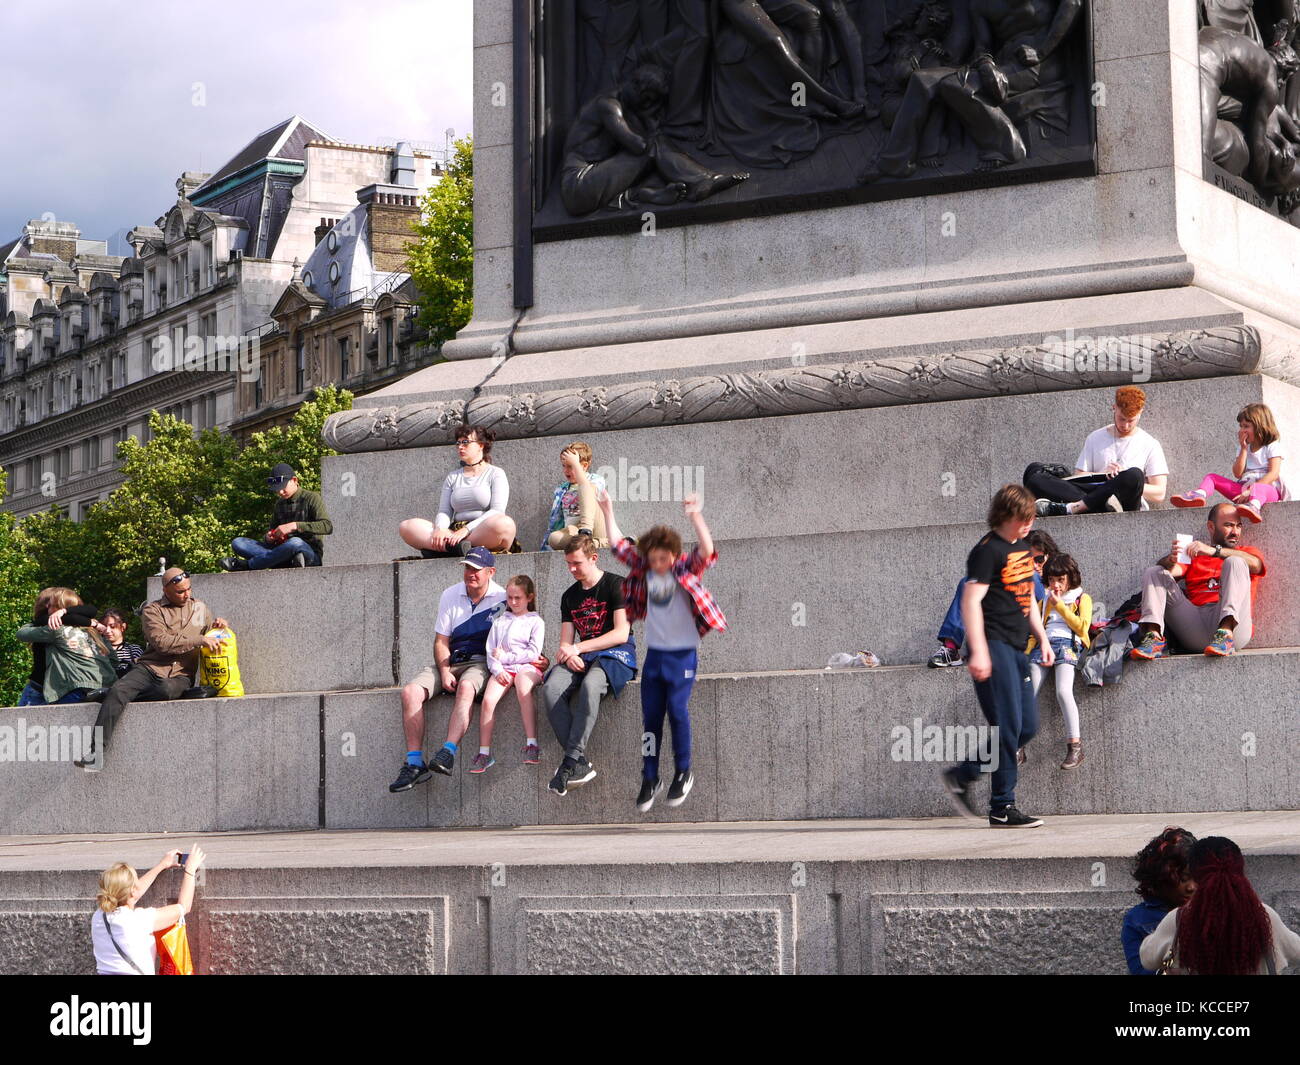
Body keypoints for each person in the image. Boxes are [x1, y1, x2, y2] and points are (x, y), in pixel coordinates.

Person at [599, 490, 726, 812]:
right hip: (655, 656)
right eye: (652, 560)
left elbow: (707, 551)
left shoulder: (684, 568)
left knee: (678, 710)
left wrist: (696, 516)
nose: (657, 566)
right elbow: (618, 546)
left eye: (662, 559)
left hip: (682, 654)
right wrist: (607, 510)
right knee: (651, 718)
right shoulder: (643, 570)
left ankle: (683, 771)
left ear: (673, 555)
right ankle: (650, 776)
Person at [940, 484, 1053, 829]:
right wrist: (978, 651)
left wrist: (1043, 638)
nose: (1030, 524)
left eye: (1032, 517)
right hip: (993, 645)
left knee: (1027, 727)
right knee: (1008, 727)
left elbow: (1029, 598)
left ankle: (964, 774)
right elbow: (970, 601)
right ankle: (1002, 805)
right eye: (1025, 517)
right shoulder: (986, 552)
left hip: (1018, 649)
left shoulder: (1021, 548)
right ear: (1007, 515)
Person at [74, 568, 230, 772]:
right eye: (180, 591)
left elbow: (211, 633)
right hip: (149, 667)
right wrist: (200, 639)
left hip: (180, 674)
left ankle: (110, 696)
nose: (187, 594)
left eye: (188, 589)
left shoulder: (200, 608)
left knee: (164, 690)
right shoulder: (152, 610)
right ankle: (97, 753)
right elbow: (163, 644)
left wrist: (220, 626)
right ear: (166, 590)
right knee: (120, 690)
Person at [388, 547, 510, 791]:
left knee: (466, 687)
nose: (470, 573)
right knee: (410, 692)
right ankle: (414, 764)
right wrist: (444, 671)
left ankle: (447, 752)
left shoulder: (504, 597)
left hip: (481, 662)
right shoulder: (450, 594)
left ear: (491, 572)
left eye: (476, 569)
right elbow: (441, 640)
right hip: (451, 659)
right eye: (467, 567)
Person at [540, 534, 637, 797]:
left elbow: (620, 634)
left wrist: (578, 648)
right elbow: (565, 643)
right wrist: (568, 654)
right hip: (582, 655)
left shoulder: (617, 585)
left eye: (577, 563)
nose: (572, 569)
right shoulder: (569, 596)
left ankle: (570, 761)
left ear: (594, 558)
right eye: (568, 564)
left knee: (592, 685)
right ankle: (580, 764)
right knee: (550, 689)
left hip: (617, 653)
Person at [1139, 836, 1300, 975]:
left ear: (1195, 874)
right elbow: (1296, 950)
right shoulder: (1264, 916)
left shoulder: (1179, 919)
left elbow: (1147, 958)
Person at [1130, 503, 1266, 660]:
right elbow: (1170, 573)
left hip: (1236, 631)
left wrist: (1215, 551)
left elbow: (1256, 566)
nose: (1235, 532)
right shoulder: (1195, 555)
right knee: (1154, 572)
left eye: (1238, 526)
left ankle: (1225, 633)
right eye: (1228, 525)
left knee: (1234, 561)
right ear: (1211, 526)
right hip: (1195, 626)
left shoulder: (1246, 553)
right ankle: (1153, 637)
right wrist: (1170, 559)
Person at [1025, 386, 1168, 516]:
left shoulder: (1150, 444)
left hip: (1125, 502)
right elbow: (1079, 476)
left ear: (1140, 413)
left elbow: (1159, 493)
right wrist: (1103, 475)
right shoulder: (1095, 437)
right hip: (1091, 494)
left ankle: (1074, 508)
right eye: (1121, 418)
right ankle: (1097, 506)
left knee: (1134, 475)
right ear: (1114, 408)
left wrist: (1120, 480)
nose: (1125, 425)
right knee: (1034, 475)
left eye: (1131, 420)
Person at [930, 529, 1058, 668]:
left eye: (1039, 559)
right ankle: (951, 647)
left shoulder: (1061, 576)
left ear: (1049, 555)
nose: (1034, 565)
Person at [397, 425, 520, 559]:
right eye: (458, 443)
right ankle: (456, 547)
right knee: (407, 526)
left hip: (481, 530)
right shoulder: (453, 477)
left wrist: (466, 530)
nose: (460, 447)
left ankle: (453, 548)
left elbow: (497, 510)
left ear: (481, 445)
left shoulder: (495, 473)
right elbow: (444, 511)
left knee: (504, 524)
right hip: (453, 533)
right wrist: (440, 529)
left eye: (466, 442)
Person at [92, 846, 206, 975]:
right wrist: (190, 870)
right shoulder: (140, 919)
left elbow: (132, 893)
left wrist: (162, 865)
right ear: (132, 890)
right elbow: (184, 907)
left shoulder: (99, 916)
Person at [475, 575, 547, 773]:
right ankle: (484, 753)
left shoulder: (536, 621)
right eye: (510, 598)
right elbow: (491, 652)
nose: (513, 602)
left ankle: (532, 744)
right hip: (504, 669)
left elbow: (533, 653)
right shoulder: (499, 622)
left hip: (527, 667)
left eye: (518, 598)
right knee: (488, 700)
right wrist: (498, 669)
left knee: (523, 688)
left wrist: (506, 658)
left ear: (529, 598)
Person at [1170, 402, 1287, 522]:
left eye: (1246, 426)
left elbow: (1273, 473)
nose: (1242, 430)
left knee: (1259, 488)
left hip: (1267, 492)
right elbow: (1237, 473)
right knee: (1212, 477)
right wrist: (1243, 449)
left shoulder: (1271, 446)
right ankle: (1199, 495)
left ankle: (1254, 506)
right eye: (1241, 426)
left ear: (1260, 426)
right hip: (1243, 492)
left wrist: (1251, 490)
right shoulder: (1244, 447)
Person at [1027, 553, 1091, 769]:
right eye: (1052, 579)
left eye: (1060, 579)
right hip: (1043, 644)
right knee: (1027, 690)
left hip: (1069, 644)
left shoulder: (1082, 598)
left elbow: (1082, 627)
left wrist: (1060, 606)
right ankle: (1017, 746)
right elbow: (1035, 631)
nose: (1056, 584)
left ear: (1070, 578)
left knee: (1063, 690)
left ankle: (1075, 746)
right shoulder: (1042, 600)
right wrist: (1027, 652)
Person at [221, 463, 333, 570]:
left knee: (295, 542)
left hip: (308, 553)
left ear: (294, 480)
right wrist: (269, 538)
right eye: (277, 489)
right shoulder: (279, 504)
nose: (280, 491)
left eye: (283, 487)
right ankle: (284, 562)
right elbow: (271, 533)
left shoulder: (311, 498)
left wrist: (294, 526)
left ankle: (249, 565)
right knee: (238, 542)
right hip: (281, 552)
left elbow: (327, 526)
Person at [1122, 826, 1197, 975]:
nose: (1192, 887)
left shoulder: (1213, 911)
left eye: (1198, 877)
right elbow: (1140, 970)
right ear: (1162, 879)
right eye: (1183, 879)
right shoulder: (1137, 920)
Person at [15, 600, 118, 705]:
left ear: (58, 610)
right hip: (107, 688)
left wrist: (39, 621)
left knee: (22, 721)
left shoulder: (57, 629)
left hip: (74, 689)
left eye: (50, 605)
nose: (47, 608)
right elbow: (114, 660)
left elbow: (21, 633)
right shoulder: (96, 630)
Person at [543, 442, 609, 550]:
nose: (565, 470)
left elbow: (589, 490)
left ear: (584, 466)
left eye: (570, 466)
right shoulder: (561, 490)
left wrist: (577, 468)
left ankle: (586, 532)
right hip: (574, 532)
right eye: (563, 466)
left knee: (586, 488)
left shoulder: (595, 479)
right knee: (553, 538)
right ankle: (598, 543)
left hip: (594, 527)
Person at [99, 608, 144, 678]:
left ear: (123, 627)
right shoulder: (97, 649)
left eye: (112, 626)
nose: (107, 630)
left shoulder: (134, 650)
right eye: (104, 626)